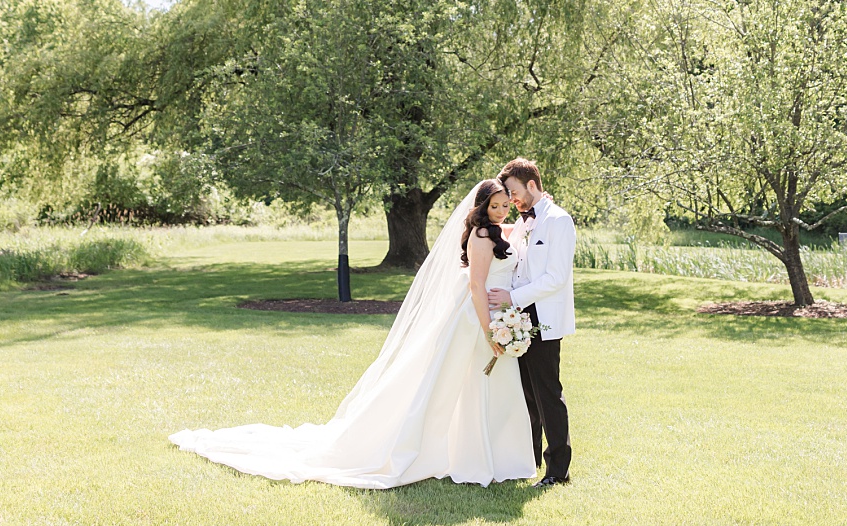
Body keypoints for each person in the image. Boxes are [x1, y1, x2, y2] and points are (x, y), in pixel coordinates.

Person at [169, 178, 536, 488]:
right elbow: (475, 285)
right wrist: (490, 330)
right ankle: (470, 459)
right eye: (496, 206)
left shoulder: (497, 230)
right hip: (477, 319)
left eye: (506, 206)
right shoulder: (482, 236)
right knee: (461, 386)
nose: (502, 212)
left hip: (495, 315)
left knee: (484, 387)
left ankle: (494, 458)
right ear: (482, 207)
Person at [488, 158, 575, 487]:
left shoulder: (559, 221)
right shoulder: (525, 223)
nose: (512, 201)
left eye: (514, 192)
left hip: (544, 318)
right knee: (525, 394)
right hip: (520, 318)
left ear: (532, 185)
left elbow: (556, 277)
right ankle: (528, 462)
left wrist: (513, 298)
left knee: (547, 393)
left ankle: (558, 471)